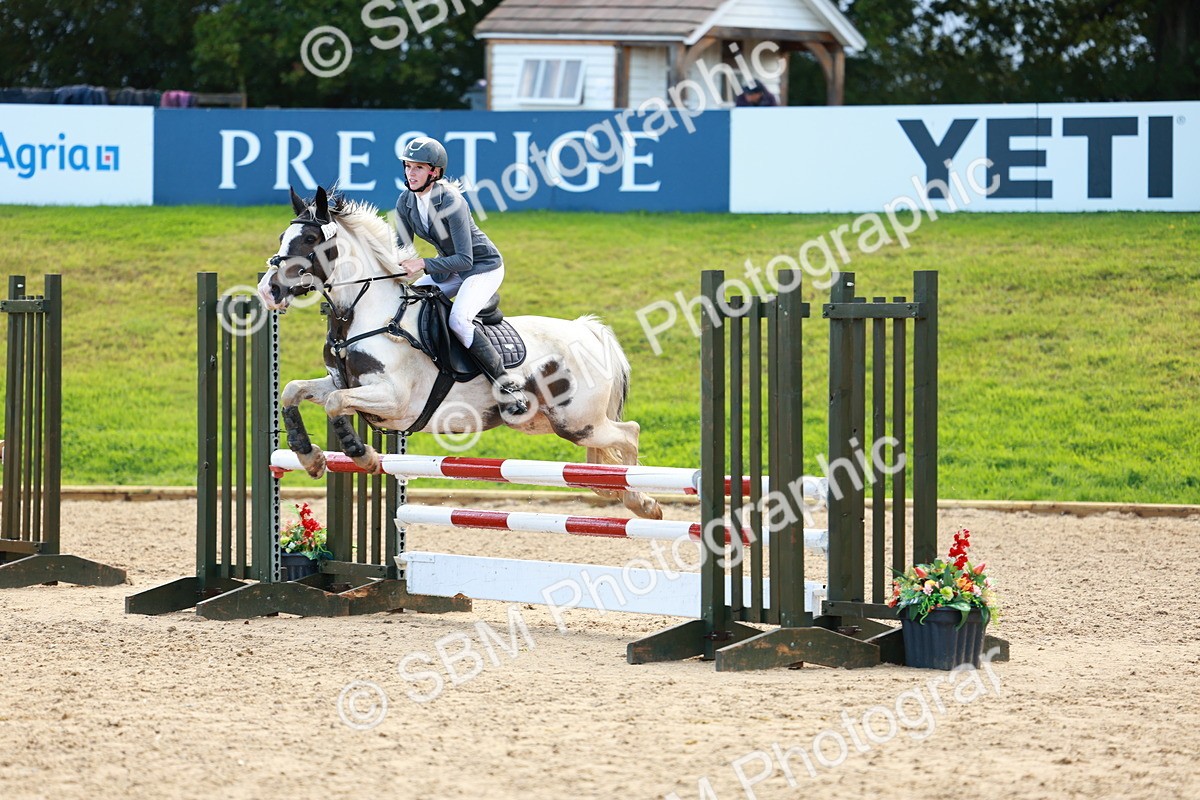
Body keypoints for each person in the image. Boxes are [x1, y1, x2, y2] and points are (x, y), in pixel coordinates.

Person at [394, 136, 529, 416]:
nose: (411, 173)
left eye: (418, 168)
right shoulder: (406, 200)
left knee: (458, 319)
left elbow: (466, 259)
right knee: (408, 303)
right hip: (449, 268)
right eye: (408, 166)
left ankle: (506, 385)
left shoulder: (452, 202)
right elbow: (400, 248)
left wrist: (422, 263)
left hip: (482, 267)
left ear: (435, 172)